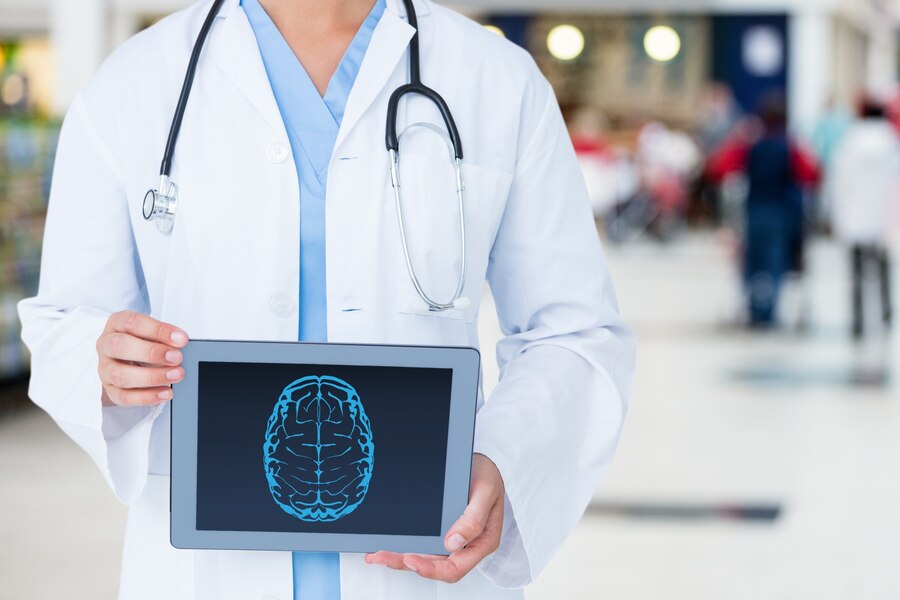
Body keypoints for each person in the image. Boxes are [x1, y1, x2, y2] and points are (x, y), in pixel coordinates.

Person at [17, 0, 635, 599]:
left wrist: (505, 459)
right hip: (207, 573)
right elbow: (66, 322)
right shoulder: (133, 84)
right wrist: (105, 361)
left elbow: (572, 331)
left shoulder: (497, 82)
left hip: (422, 557)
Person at [707, 93, 819, 326]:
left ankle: (755, 309)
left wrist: (739, 138)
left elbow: (719, 168)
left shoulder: (750, 145)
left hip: (755, 210)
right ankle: (769, 311)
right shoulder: (790, 146)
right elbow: (812, 174)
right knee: (775, 262)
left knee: (752, 262)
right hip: (783, 214)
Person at [829, 98, 900, 339]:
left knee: (857, 271)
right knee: (883, 270)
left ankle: (858, 319)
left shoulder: (849, 144)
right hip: (882, 219)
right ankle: (886, 314)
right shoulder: (891, 143)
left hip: (855, 216)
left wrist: (836, 215)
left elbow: (838, 184)